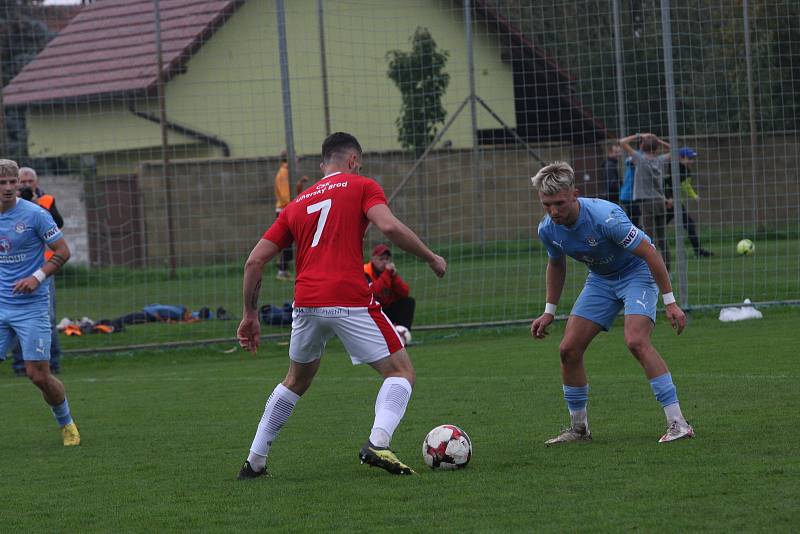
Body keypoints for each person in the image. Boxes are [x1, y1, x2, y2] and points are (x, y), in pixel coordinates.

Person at [236, 132, 446, 478]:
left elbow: (254, 262)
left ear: (323, 166)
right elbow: (389, 226)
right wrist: (430, 257)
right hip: (348, 298)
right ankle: (378, 441)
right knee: (401, 372)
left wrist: (249, 315)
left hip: (305, 303)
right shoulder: (362, 185)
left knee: (295, 381)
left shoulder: (298, 203)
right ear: (353, 161)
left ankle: (254, 462)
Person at [530, 161, 693, 445]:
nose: (554, 211)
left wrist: (671, 303)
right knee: (568, 349)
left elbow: (651, 253)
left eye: (559, 203)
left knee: (636, 341)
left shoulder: (605, 217)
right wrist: (549, 312)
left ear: (575, 194)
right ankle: (579, 430)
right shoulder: (548, 229)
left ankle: (679, 423)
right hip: (601, 281)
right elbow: (556, 265)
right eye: (547, 205)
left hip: (636, 274)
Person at [0, 159, 80, 446]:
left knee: (38, 375)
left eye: (13, 182)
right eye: (2, 183)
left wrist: (37, 276)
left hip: (30, 307)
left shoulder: (36, 215)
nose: (9, 188)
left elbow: (63, 251)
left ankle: (66, 422)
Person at [11, 166, 64, 375]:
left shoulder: (46, 201)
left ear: (36, 182)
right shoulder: (9, 205)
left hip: (43, 270)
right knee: (14, 317)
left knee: (47, 317)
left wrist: (34, 206)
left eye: (29, 181)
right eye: (21, 182)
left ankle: (53, 363)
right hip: (15, 270)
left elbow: (58, 224)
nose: (25, 185)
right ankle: (20, 365)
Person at [620, 133, 672, 270]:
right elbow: (675, 150)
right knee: (662, 238)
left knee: (649, 238)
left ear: (642, 147)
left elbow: (622, 142)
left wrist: (639, 135)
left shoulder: (639, 159)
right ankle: (667, 269)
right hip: (660, 201)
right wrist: (657, 140)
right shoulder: (660, 160)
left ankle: (650, 268)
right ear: (656, 148)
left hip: (646, 202)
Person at [665, 147, 713, 258]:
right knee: (657, 226)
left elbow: (686, 186)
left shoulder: (687, 170)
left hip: (677, 204)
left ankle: (699, 252)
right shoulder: (674, 168)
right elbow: (665, 184)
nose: (692, 160)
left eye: (692, 158)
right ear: (681, 158)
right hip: (669, 204)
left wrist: (695, 196)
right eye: (689, 158)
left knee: (689, 225)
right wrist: (668, 198)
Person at [274, 150, 309, 281]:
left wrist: (299, 184)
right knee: (287, 242)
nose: (297, 160)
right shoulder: (284, 173)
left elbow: (291, 192)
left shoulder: (287, 172)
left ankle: (283, 269)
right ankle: (281, 270)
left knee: (290, 241)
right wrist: (298, 204)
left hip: (287, 209)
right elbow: (285, 197)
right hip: (284, 210)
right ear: (288, 159)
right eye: (296, 158)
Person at [364, 243, 416, 329]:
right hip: (371, 312)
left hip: (386, 308)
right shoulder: (366, 272)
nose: (385, 262)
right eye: (381, 259)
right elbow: (375, 293)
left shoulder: (389, 273)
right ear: (373, 259)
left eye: (387, 259)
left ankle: (402, 334)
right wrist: (387, 273)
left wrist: (395, 277)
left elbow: (404, 293)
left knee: (408, 302)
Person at [619, 155, 640, 227]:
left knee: (633, 219)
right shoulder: (632, 167)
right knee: (633, 220)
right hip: (628, 197)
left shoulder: (633, 167)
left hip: (627, 196)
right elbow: (628, 160)